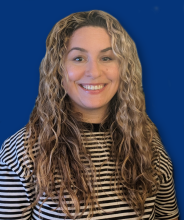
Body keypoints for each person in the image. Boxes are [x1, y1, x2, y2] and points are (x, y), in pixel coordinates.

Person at [0, 10, 179, 220]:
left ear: (123, 69)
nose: (94, 72)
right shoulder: (23, 152)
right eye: (78, 58)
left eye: (106, 57)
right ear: (58, 70)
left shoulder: (148, 145)